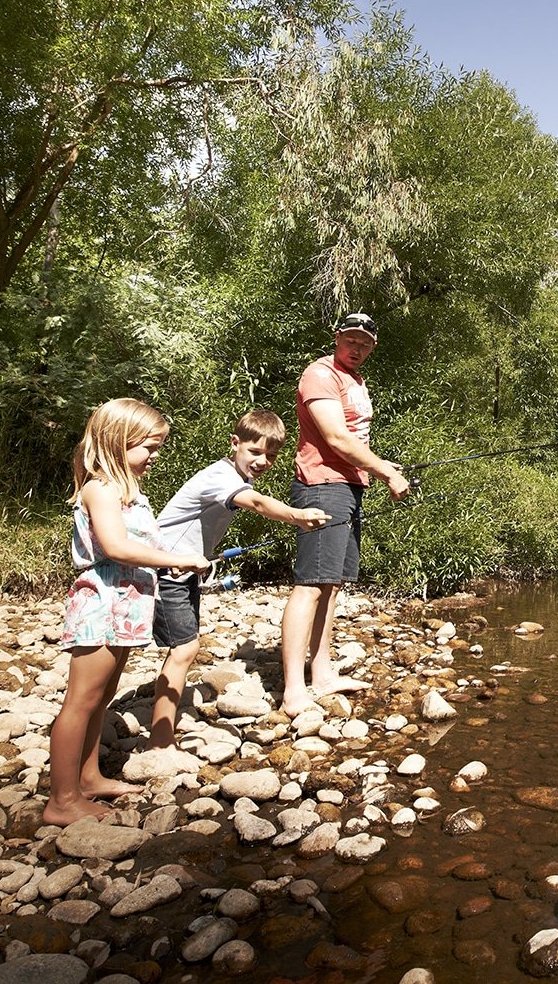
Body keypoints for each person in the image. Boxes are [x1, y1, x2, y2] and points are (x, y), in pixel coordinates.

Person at [137, 409, 329, 772]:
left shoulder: (231, 474)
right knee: (184, 647)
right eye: (255, 452)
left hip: (182, 569)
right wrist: (297, 515)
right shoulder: (219, 476)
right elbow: (256, 504)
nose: (262, 461)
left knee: (182, 647)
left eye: (270, 456)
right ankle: (160, 741)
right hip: (165, 568)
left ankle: (158, 730)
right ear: (235, 443)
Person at [46, 398, 209, 825]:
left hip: (128, 605)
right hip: (102, 603)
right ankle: (61, 800)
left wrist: (168, 559)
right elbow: (115, 547)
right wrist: (183, 560)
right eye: (148, 448)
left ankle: (89, 778)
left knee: (101, 699)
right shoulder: (100, 488)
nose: (154, 457)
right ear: (118, 443)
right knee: (79, 702)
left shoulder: (130, 493)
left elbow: (138, 547)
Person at [280, 312, 412, 714]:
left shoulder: (356, 380)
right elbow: (336, 437)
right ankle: (292, 690)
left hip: (350, 487)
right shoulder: (321, 375)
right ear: (338, 338)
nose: (356, 348)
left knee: (332, 584)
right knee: (310, 583)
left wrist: (373, 471)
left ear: (372, 346)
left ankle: (321, 674)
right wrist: (386, 469)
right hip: (322, 485)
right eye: (350, 340)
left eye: (365, 343)